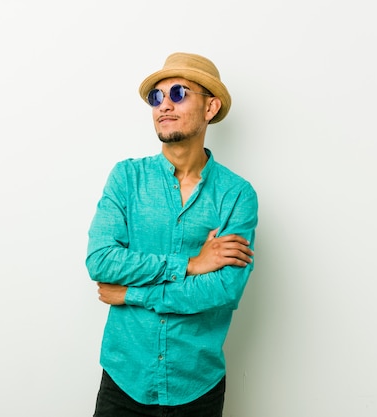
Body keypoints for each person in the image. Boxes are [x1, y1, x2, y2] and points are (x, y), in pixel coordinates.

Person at [86, 52, 259, 417]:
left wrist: (132, 293)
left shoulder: (237, 195)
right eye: (156, 97)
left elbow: (223, 290)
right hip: (124, 378)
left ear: (210, 107)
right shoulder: (126, 179)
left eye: (178, 93)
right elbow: (100, 261)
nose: (163, 105)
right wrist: (191, 264)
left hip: (196, 384)